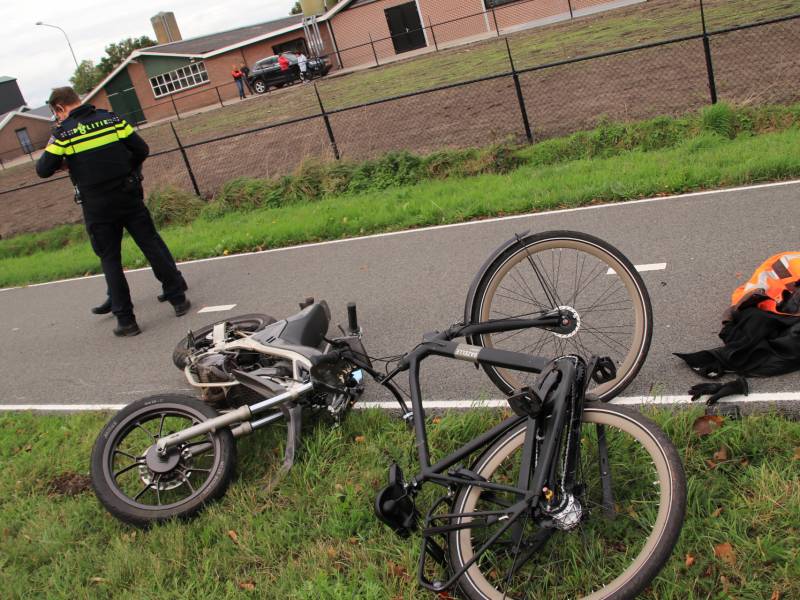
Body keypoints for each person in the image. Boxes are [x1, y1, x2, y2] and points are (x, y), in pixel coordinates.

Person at [36, 86, 190, 337]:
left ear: (60, 108)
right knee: (150, 244)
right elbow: (141, 149)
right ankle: (178, 299)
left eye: (57, 113)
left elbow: (43, 170)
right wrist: (125, 170)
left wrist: (62, 152)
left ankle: (126, 321)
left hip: (97, 205)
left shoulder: (63, 133)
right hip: (127, 194)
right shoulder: (111, 119)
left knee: (110, 259)